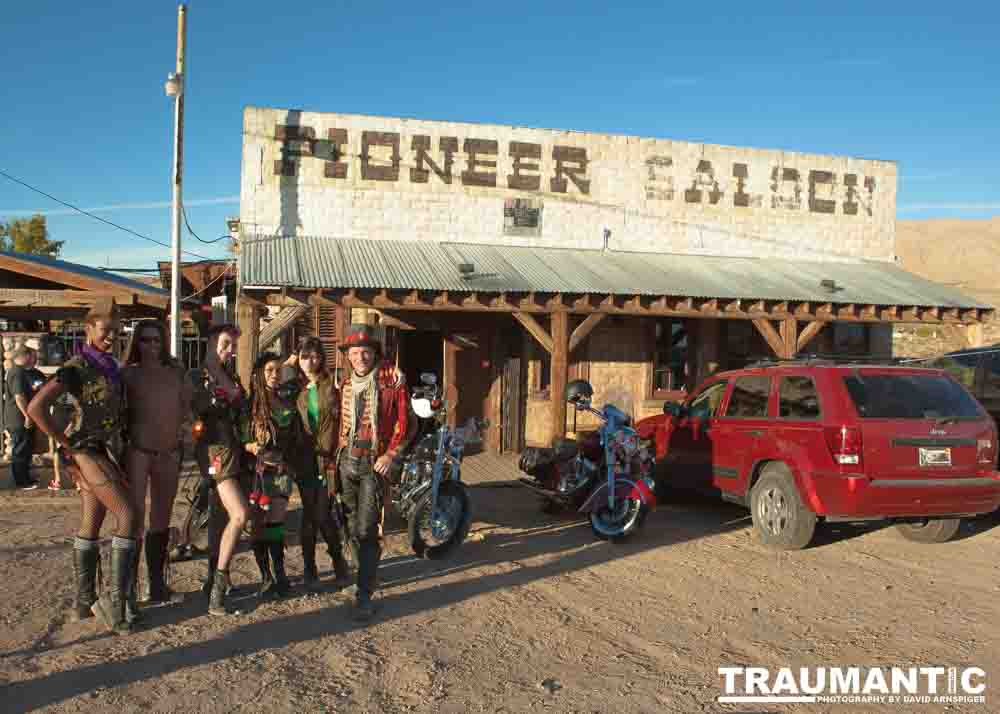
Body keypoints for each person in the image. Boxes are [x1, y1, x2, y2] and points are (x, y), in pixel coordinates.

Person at [27, 300, 138, 634]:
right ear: (89, 328)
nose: (111, 336)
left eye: (116, 332)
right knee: (129, 515)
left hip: (106, 450)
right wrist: (66, 445)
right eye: (105, 330)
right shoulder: (77, 367)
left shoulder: (110, 366)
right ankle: (114, 604)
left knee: (93, 519)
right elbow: (35, 408)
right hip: (88, 450)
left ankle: (83, 600)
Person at [335, 325, 411, 621]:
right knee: (351, 523)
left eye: (365, 351)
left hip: (373, 462)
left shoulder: (391, 381)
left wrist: (391, 454)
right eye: (354, 352)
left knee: (367, 530)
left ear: (374, 353)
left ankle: (364, 594)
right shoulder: (344, 383)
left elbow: (404, 424)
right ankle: (362, 578)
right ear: (349, 356)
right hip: (346, 460)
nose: (360, 357)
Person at [121, 320, 191, 613]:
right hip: (138, 452)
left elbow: (188, 407)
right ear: (136, 343)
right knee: (134, 518)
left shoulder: (177, 373)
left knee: (160, 518)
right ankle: (127, 591)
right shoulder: (128, 375)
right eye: (145, 340)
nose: (150, 346)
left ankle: (156, 584)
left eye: (155, 340)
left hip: (168, 453)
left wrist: (184, 431)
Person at [191, 324, 250, 616]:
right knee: (239, 515)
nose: (231, 350)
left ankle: (213, 582)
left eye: (234, 345)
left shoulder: (225, 374)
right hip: (214, 451)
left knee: (220, 518)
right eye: (226, 344)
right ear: (213, 342)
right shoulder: (202, 375)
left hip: (231, 450)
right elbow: (200, 410)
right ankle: (218, 586)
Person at [242, 353, 301, 598]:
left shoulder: (287, 400)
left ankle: (280, 574)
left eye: (277, 370)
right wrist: (250, 445)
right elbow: (241, 435)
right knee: (258, 525)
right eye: (269, 370)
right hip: (256, 473)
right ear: (259, 373)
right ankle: (265, 576)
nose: (274, 375)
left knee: (276, 523)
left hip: (280, 471)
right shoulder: (250, 404)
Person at [295, 338, 351, 589]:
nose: (310, 361)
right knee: (312, 514)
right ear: (298, 358)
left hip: (328, 460)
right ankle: (312, 567)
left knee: (321, 511)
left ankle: (335, 562)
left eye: (315, 356)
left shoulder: (333, 386)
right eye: (305, 356)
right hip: (304, 459)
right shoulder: (293, 388)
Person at [5, 346, 43, 490]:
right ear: (26, 356)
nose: (35, 359)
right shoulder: (17, 372)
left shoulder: (18, 372)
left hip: (21, 417)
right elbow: (19, 396)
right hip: (18, 418)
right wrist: (27, 416)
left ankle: (25, 478)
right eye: (34, 356)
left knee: (25, 448)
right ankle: (22, 482)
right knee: (20, 449)